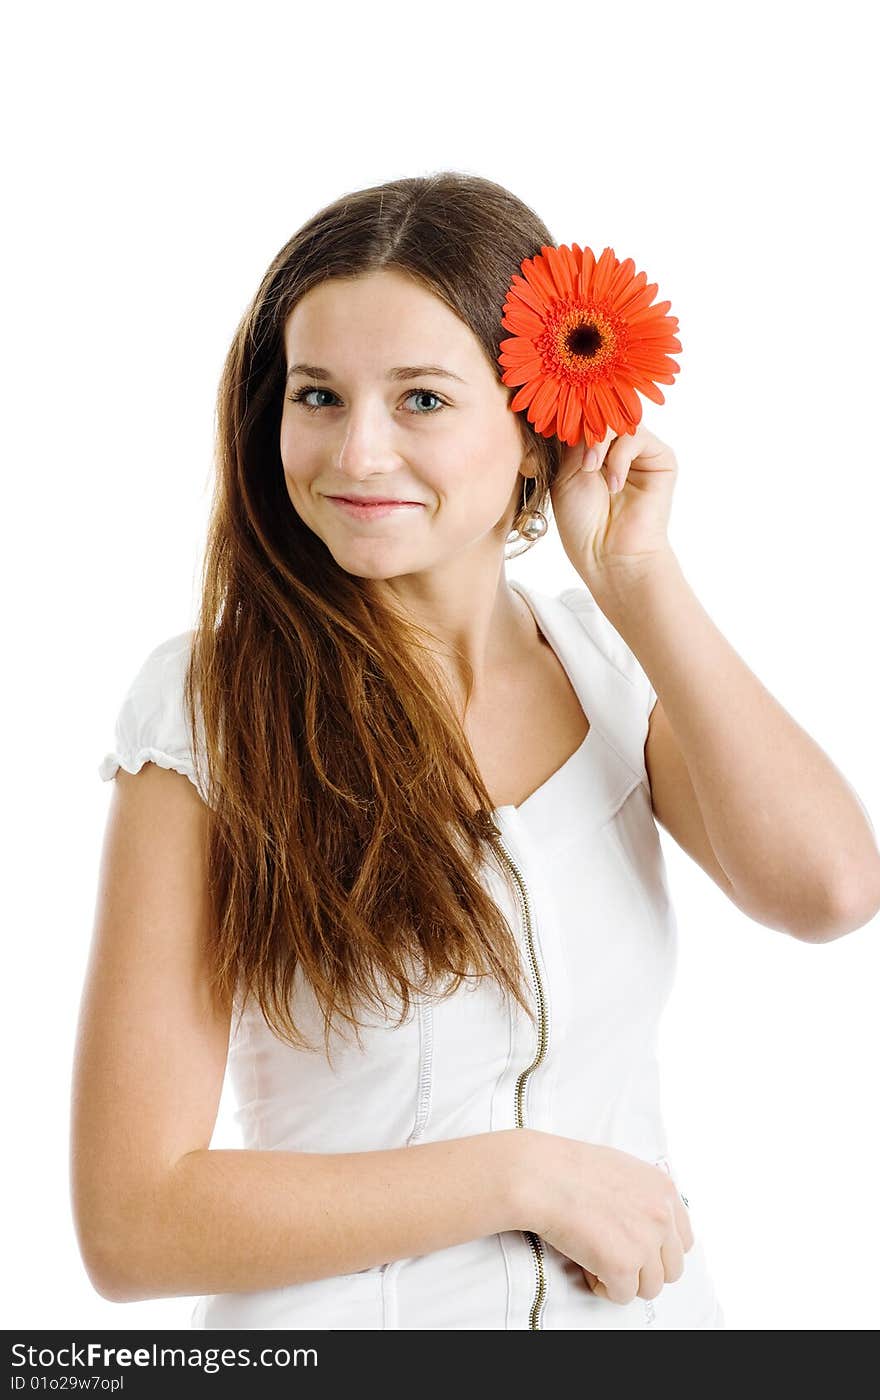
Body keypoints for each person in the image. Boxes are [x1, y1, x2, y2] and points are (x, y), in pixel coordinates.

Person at [71, 170, 880, 1332]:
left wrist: (639, 582)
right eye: (316, 394)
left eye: (421, 400)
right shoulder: (207, 711)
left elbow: (831, 888)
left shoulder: (604, 663)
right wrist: (522, 1174)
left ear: (535, 428)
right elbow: (132, 1220)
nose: (356, 451)